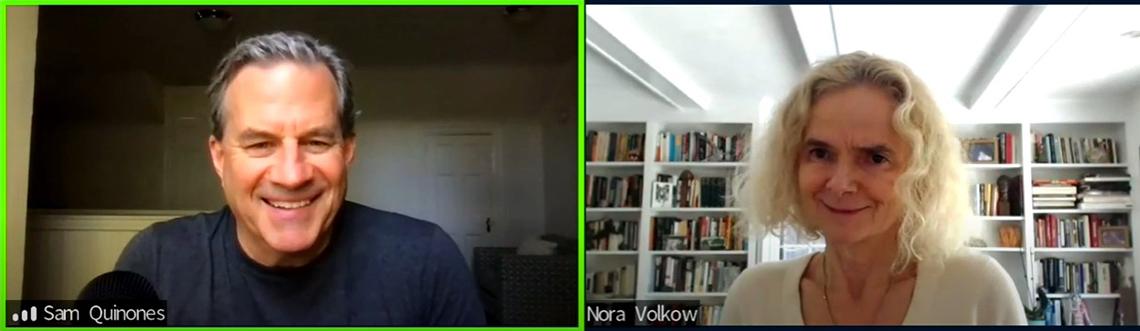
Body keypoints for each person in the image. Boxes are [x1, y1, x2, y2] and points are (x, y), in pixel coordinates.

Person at [114, 32, 485, 326]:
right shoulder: (156, 264)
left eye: (317, 142)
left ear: (348, 150)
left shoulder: (427, 263)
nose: (292, 176)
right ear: (219, 156)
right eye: (260, 144)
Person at [721, 52, 1026, 325]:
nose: (840, 184)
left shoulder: (978, 292)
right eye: (820, 153)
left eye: (876, 158)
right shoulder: (754, 298)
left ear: (921, 174)